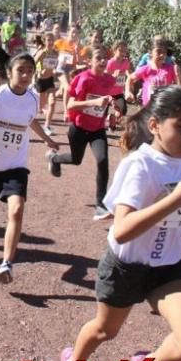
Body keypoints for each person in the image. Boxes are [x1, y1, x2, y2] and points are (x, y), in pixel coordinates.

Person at [59, 86, 181, 361]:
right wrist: (176, 201)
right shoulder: (141, 165)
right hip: (127, 265)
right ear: (154, 125)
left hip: (167, 266)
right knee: (104, 331)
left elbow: (177, 213)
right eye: (180, 125)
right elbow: (122, 230)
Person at [0, 53, 60, 283]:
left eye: (30, 71)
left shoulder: (31, 97)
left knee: (16, 210)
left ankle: (6, 264)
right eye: (21, 70)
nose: (26, 75)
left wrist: (46, 140)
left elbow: (30, 120)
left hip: (15, 165)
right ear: (9, 72)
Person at [47, 46, 119, 220]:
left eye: (104, 58)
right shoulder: (84, 79)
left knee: (102, 161)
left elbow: (115, 99)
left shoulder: (110, 80)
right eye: (98, 58)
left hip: (98, 129)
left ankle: (100, 205)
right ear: (90, 61)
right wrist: (95, 102)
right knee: (76, 159)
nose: (102, 61)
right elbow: (71, 105)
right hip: (78, 128)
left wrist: (115, 110)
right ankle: (54, 158)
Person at [127, 38, 181, 107]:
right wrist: (128, 92)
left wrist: (178, 74)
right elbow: (130, 78)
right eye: (158, 52)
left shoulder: (170, 69)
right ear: (150, 53)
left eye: (164, 52)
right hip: (148, 109)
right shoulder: (145, 69)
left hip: (164, 108)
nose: (162, 55)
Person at [32, 33, 60, 135]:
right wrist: (39, 71)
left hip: (50, 80)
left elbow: (56, 64)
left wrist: (55, 70)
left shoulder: (56, 53)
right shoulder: (42, 53)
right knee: (42, 106)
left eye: (52, 40)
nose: (51, 42)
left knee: (52, 102)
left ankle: (47, 126)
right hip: (41, 81)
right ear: (44, 41)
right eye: (48, 40)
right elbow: (33, 64)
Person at [105, 41, 131, 130]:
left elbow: (128, 71)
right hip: (108, 92)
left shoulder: (126, 62)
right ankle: (106, 120)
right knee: (102, 113)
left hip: (119, 92)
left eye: (125, 51)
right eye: (120, 51)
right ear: (114, 50)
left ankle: (111, 118)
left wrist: (129, 76)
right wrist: (113, 76)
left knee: (122, 112)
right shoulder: (110, 63)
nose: (123, 53)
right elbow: (104, 77)